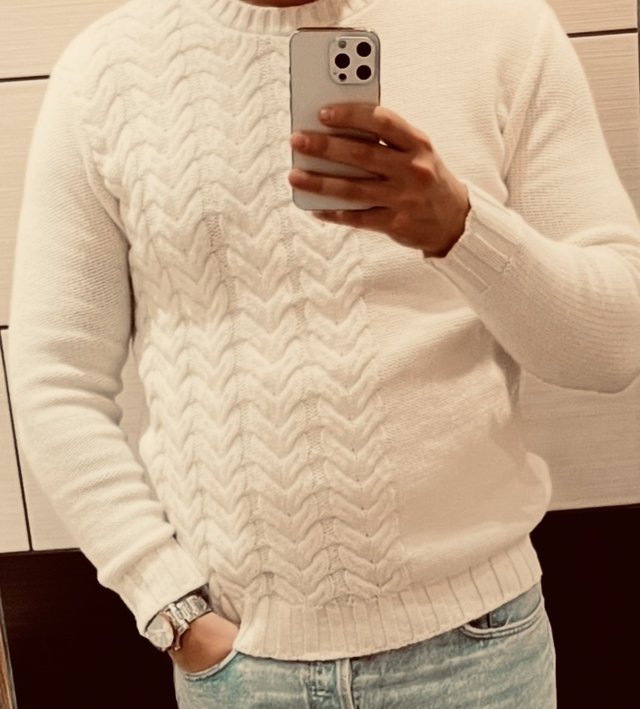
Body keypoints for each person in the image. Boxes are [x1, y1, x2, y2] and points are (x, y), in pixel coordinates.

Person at [8, 0, 640, 706]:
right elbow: (55, 375)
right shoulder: (105, 73)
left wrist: (461, 229)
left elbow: (611, 345)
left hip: (479, 652)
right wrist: (167, 602)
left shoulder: (501, 28)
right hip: (242, 669)